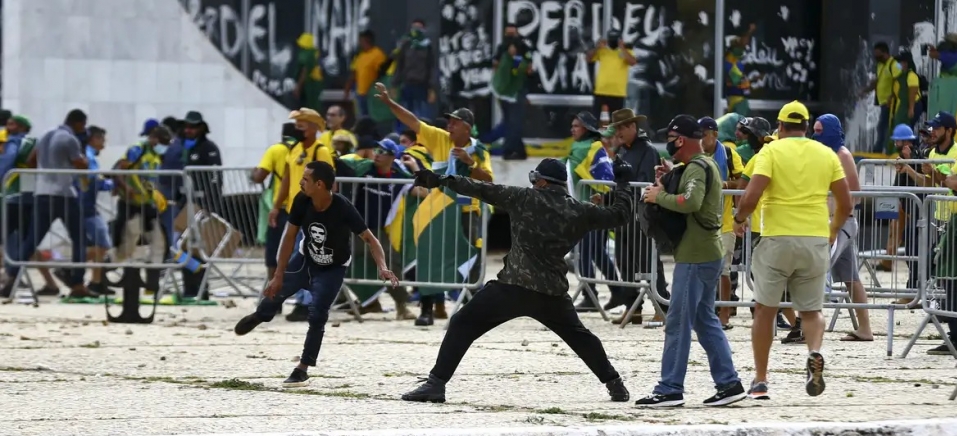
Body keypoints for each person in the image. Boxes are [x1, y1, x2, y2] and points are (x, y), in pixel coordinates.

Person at [400, 157, 635, 403]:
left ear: (541, 181)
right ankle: (615, 384)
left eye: (535, 179)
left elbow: (480, 188)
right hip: (552, 292)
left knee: (462, 323)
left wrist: (441, 180)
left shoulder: (524, 198)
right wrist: (623, 183)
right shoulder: (579, 210)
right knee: (581, 338)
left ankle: (435, 384)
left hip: (513, 287)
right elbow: (619, 215)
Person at [234, 161, 398, 387]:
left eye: (305, 179)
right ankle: (261, 315)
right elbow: (289, 237)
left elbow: (371, 239)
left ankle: (302, 368)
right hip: (304, 260)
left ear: (319, 184)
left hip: (332, 269)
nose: (300, 183)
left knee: (318, 314)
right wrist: (278, 274)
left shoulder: (343, 207)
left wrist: (382, 266)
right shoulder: (302, 201)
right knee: (275, 292)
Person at [733, 101, 852, 399]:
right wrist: (834, 229)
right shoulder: (826, 154)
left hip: (777, 239)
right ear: (808, 127)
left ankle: (761, 380)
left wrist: (739, 220)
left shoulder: (771, 151)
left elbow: (751, 195)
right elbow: (846, 202)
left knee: (765, 310)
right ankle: (814, 351)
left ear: (781, 126)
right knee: (811, 311)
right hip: (814, 238)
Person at [633, 115, 745, 408]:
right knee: (704, 320)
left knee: (678, 322)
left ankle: (670, 387)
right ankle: (729, 383)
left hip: (695, 257)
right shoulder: (701, 165)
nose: (667, 143)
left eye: (670, 138)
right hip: (705, 253)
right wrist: (669, 178)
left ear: (680, 140)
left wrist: (659, 197)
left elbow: (691, 202)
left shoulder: (697, 167)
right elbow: (691, 193)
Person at [374, 82, 494, 325]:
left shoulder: (479, 150)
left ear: (467, 127)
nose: (449, 126)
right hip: (438, 210)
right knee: (430, 256)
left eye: (454, 122)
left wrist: (471, 163)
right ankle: (428, 309)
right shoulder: (440, 139)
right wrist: (388, 103)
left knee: (469, 259)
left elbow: (489, 180)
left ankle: (469, 310)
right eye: (448, 122)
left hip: (467, 211)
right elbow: (412, 121)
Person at [269, 108, 334, 321]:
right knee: (293, 258)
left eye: (301, 125)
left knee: (306, 259)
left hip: (314, 211)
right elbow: (286, 179)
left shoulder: (321, 151)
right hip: (294, 211)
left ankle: (307, 303)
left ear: (313, 128)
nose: (296, 129)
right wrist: (276, 206)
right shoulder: (294, 148)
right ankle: (301, 300)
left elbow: (331, 183)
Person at [605, 109, 670, 323]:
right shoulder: (622, 151)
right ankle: (633, 308)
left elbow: (643, 181)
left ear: (634, 127)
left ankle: (662, 306)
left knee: (648, 262)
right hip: (623, 215)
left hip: (641, 215)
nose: (619, 132)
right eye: (617, 128)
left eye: (623, 127)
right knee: (624, 262)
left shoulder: (647, 150)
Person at [812, 115, 871, 341]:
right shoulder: (825, 154)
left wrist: (837, 218)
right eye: (814, 130)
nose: (816, 135)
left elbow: (854, 192)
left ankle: (806, 323)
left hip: (842, 222)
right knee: (851, 278)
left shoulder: (842, 155)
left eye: (820, 131)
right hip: (834, 221)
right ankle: (864, 328)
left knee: (818, 270)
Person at [860, 42, 902, 154]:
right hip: (883, 102)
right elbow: (877, 81)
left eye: (879, 55)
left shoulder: (894, 64)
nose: (877, 58)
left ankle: (879, 149)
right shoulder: (880, 65)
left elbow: (899, 81)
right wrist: (866, 90)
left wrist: (892, 96)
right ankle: (881, 149)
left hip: (892, 102)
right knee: (883, 126)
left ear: (886, 53)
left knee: (883, 127)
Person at [587, 29, 637, 115]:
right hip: (601, 90)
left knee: (615, 122)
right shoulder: (602, 50)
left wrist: (622, 48)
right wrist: (597, 47)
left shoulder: (626, 51)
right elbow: (588, 59)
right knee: (594, 119)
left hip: (618, 92)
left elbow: (633, 62)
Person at [345, 31, 388, 117]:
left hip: (371, 93)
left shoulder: (378, 54)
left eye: (361, 41)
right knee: (361, 116)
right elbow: (354, 73)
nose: (360, 43)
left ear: (367, 40)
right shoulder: (360, 56)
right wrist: (347, 88)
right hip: (359, 93)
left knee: (371, 117)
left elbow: (383, 74)